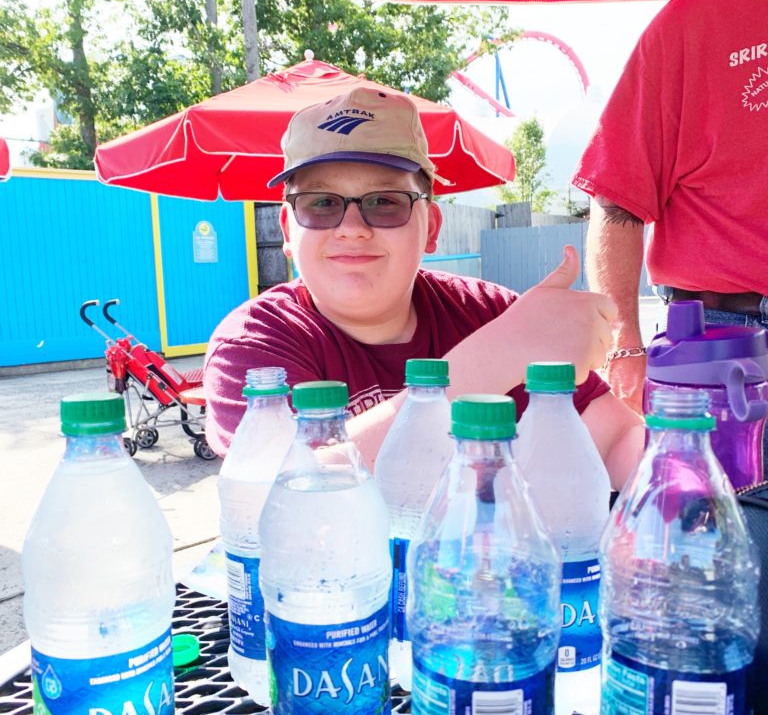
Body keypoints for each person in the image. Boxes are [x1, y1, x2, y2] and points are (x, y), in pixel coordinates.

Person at [203, 85, 643, 487]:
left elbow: (615, 437)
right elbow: (281, 491)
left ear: (430, 226)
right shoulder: (257, 347)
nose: (352, 228)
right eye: (321, 204)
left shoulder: (490, 313)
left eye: (384, 202)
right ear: (287, 228)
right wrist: (501, 357)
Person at [572, 0, 768, 414]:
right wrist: (624, 344)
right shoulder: (691, 23)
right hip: (725, 339)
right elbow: (616, 196)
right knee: (730, 500)